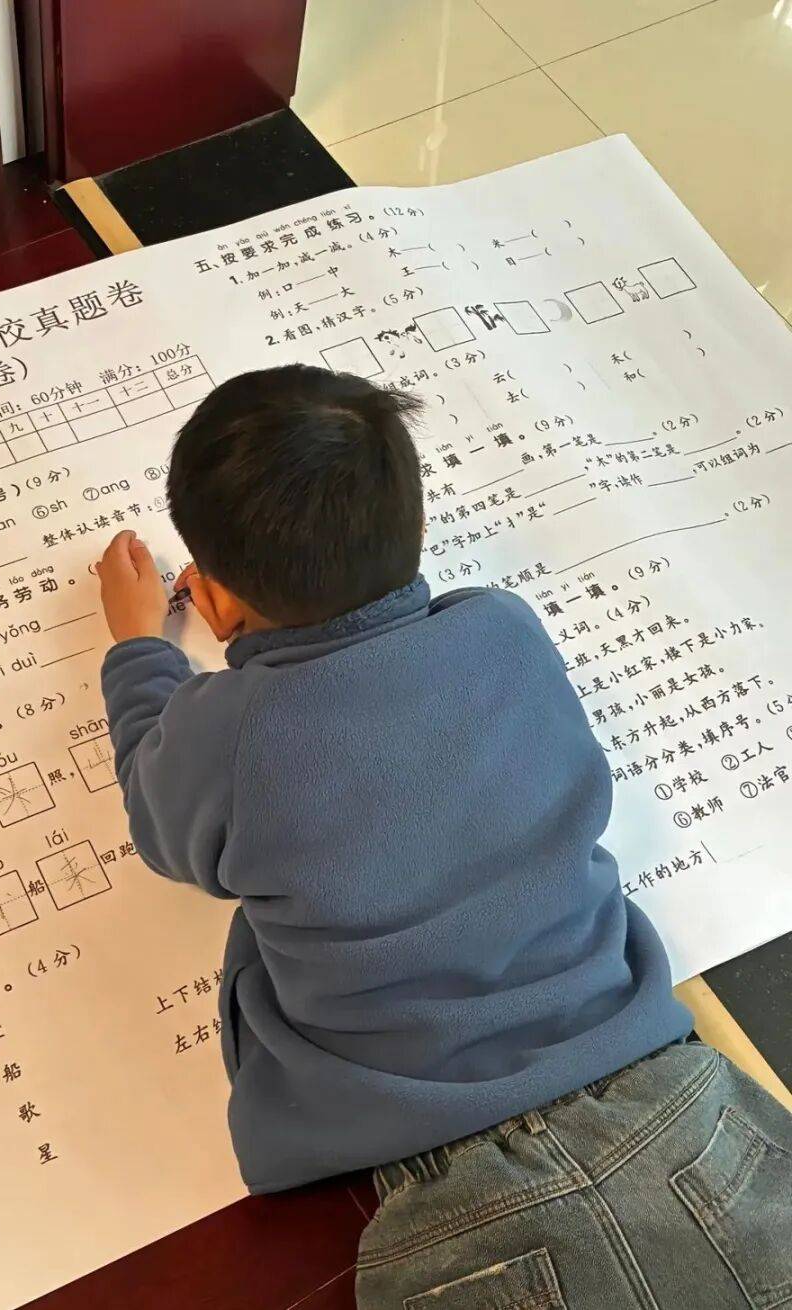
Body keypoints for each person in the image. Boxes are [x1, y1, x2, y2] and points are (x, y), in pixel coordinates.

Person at [96, 364, 792, 1308]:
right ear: (417, 531)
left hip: (450, 1182)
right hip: (676, 1098)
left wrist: (139, 650)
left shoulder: (225, 732)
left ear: (213, 602)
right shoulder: (503, 629)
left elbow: (156, 816)